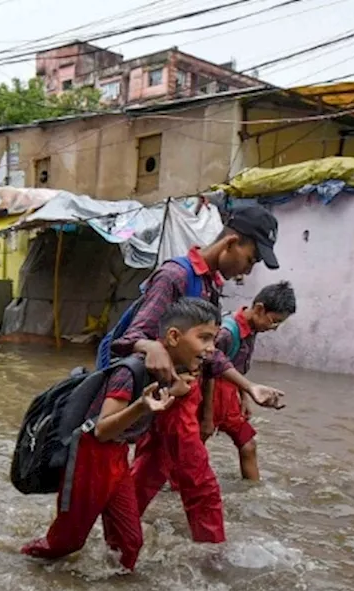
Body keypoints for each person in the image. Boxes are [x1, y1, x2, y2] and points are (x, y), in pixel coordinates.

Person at [108, 205, 286, 552]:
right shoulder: (175, 275)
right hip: (168, 396)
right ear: (231, 243)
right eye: (250, 260)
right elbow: (129, 337)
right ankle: (214, 558)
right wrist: (148, 346)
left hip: (180, 396)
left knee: (147, 476)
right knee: (201, 484)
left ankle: (113, 539)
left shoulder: (208, 285)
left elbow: (210, 354)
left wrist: (248, 386)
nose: (248, 270)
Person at [22, 298, 222, 570]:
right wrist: (141, 406)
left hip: (116, 456)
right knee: (66, 543)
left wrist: (171, 394)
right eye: (205, 338)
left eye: (214, 340)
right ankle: (19, 557)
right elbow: (102, 430)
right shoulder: (130, 371)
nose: (211, 349)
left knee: (129, 542)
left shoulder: (167, 373)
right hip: (89, 458)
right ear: (174, 337)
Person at [200, 281, 297, 482]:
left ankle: (254, 493)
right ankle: (175, 490)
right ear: (260, 309)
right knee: (193, 449)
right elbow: (209, 372)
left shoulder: (252, 330)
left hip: (231, 395)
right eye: (274, 321)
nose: (274, 328)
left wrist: (244, 398)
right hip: (210, 396)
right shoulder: (226, 333)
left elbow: (239, 368)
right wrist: (207, 417)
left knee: (248, 444)